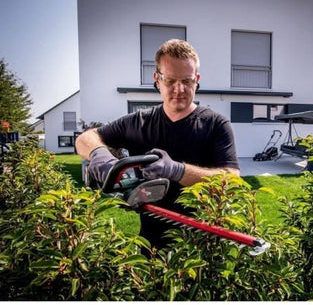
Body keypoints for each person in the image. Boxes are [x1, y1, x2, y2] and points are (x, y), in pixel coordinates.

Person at [75, 39, 240, 251]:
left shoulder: (216, 124)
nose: (179, 89)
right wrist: (99, 154)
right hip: (150, 247)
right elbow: (84, 139)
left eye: (187, 81)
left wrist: (177, 170)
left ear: (197, 80)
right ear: (157, 79)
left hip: (202, 249)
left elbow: (232, 180)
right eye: (170, 81)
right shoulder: (138, 122)